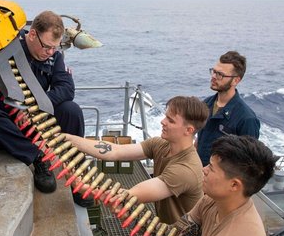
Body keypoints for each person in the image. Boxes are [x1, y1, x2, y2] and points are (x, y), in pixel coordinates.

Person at [0, 11, 84, 195]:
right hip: (4, 119)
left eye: (55, 47)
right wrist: (20, 109)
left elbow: (67, 90)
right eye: (47, 47)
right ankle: (37, 156)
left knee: (71, 110)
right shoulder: (4, 49)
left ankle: (76, 172)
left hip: (33, 117)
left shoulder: (54, 56)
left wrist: (33, 108)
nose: (50, 53)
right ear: (33, 34)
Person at [65, 96, 209, 225]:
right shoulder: (160, 145)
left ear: (189, 130)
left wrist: (84, 187)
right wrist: (70, 139)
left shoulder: (186, 169)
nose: (162, 121)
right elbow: (115, 151)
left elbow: (128, 195)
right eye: (165, 116)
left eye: (170, 120)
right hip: (167, 231)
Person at [165, 135, 278, 236]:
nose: (204, 169)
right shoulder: (213, 200)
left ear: (234, 185)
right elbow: (180, 229)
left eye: (211, 167)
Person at [196, 51, 260, 167]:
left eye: (220, 74)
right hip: (199, 173)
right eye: (214, 71)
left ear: (236, 80)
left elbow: (248, 163)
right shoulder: (206, 104)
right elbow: (199, 140)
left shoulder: (247, 119)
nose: (214, 77)